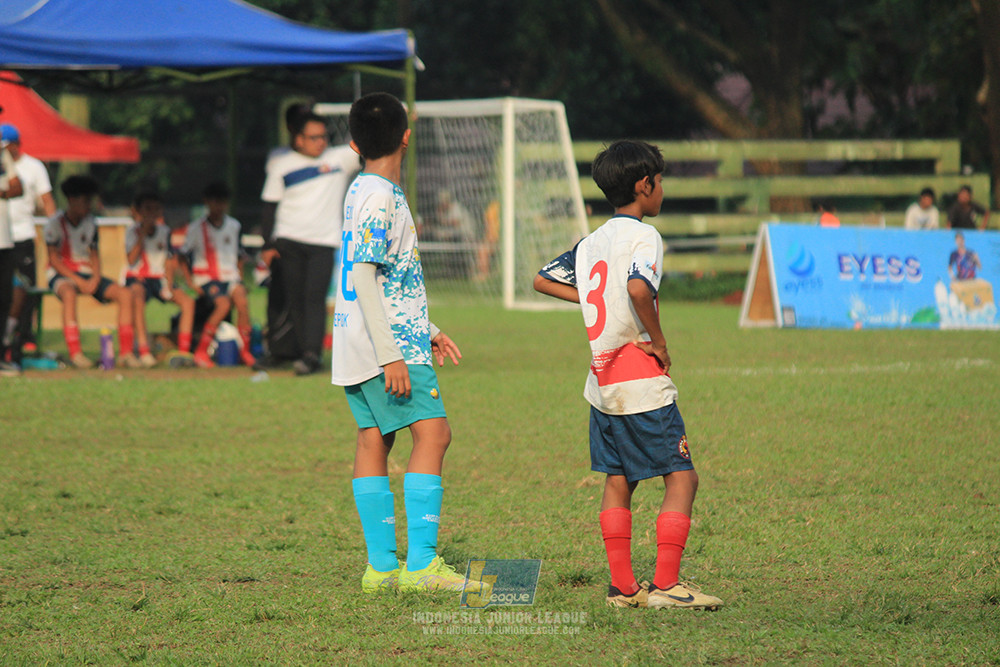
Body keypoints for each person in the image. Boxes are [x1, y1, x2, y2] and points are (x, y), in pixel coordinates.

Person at [533, 140, 723, 611]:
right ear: (645, 185)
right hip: (640, 379)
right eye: (661, 181)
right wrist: (658, 342)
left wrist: (598, 304)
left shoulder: (592, 241)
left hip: (602, 381)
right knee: (682, 479)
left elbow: (541, 278)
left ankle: (622, 588)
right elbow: (639, 288)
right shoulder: (645, 236)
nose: (663, 189)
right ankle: (665, 585)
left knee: (618, 479)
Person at [331, 93, 471, 595]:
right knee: (434, 435)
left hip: (355, 338)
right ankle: (423, 568)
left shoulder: (360, 188)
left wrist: (428, 328)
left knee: (374, 439)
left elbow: (382, 277)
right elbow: (366, 276)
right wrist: (393, 352)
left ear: (353, 144)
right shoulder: (381, 197)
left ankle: (381, 568)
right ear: (406, 136)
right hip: (385, 345)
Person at [260, 108, 361, 375]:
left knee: (315, 299)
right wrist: (267, 246)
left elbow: (370, 141)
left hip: (323, 243)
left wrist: (400, 117)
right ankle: (287, 351)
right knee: (292, 299)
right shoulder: (281, 164)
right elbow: (269, 208)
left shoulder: (339, 158)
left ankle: (311, 355)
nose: (320, 142)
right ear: (298, 139)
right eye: (313, 137)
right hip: (288, 241)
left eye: (323, 136)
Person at [44, 175, 137, 369]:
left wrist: (95, 278)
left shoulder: (91, 222)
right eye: (85, 200)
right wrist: (77, 280)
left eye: (89, 200)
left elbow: (94, 254)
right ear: (71, 200)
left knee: (125, 294)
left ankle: (126, 353)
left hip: (86, 274)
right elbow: (53, 260)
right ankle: (76, 353)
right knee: (69, 293)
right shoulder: (54, 224)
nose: (88, 205)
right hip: (61, 274)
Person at [178, 181, 256, 369]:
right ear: (206, 202)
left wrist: (240, 278)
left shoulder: (233, 225)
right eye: (214, 201)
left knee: (242, 301)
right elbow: (182, 256)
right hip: (206, 278)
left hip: (230, 277)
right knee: (223, 304)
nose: (218, 206)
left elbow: (239, 255)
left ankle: (245, 351)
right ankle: (201, 351)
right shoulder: (197, 228)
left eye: (222, 202)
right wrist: (190, 282)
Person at [2, 124, 56, 362]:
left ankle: (23, 337)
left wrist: (54, 232)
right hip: (2, 237)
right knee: (6, 291)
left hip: (23, 235)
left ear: (16, 144)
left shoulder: (33, 166)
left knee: (25, 288)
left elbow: (46, 200)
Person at [124, 190, 196, 368]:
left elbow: (170, 260)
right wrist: (142, 233)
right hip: (138, 278)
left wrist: (168, 284)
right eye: (147, 209)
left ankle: (184, 352)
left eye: (155, 209)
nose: (151, 214)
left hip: (159, 279)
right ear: (139, 211)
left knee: (188, 301)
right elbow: (131, 259)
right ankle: (143, 350)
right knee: (137, 297)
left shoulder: (165, 232)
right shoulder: (131, 231)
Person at [0, 130, 24, 376]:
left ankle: (1, 356)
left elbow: (18, 188)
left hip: (4, 239)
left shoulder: (2, 154)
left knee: (5, 298)